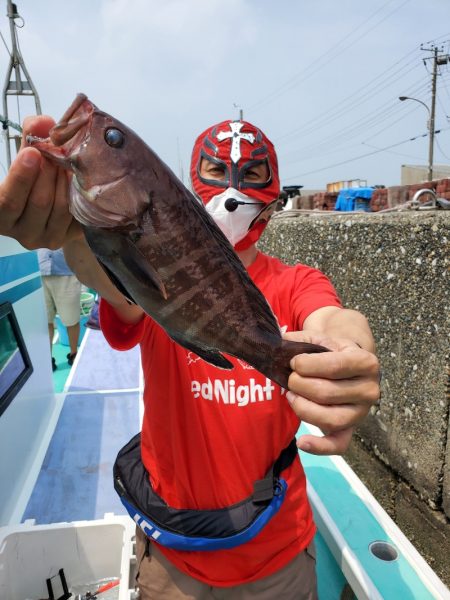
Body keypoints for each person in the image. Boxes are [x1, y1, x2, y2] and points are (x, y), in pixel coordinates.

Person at [0, 115, 380, 599]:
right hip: (171, 551)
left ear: (272, 202)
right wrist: (75, 237)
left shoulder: (297, 282)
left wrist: (348, 355)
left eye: (251, 179)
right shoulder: (152, 277)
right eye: (218, 174)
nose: (234, 194)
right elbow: (118, 287)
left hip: (277, 549)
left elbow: (331, 319)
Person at [37, 247, 81, 370]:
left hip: (67, 270)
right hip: (38, 271)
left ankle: (74, 354)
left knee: (71, 318)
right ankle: (47, 358)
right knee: (44, 321)